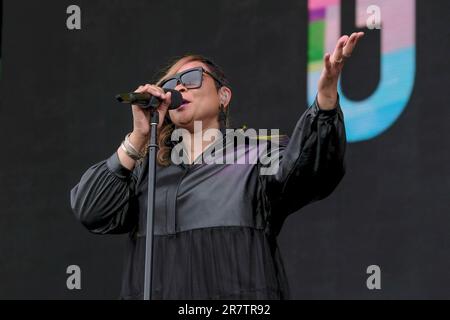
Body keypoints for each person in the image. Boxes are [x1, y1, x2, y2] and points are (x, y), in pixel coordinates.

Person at [70, 32, 364, 300]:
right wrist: (138, 137)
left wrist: (325, 98)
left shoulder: (257, 155)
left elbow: (314, 169)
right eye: (169, 84)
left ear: (224, 96)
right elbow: (92, 210)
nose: (179, 86)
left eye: (193, 77)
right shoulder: (147, 170)